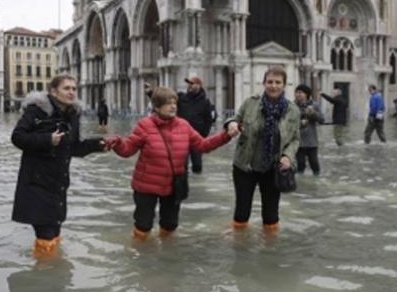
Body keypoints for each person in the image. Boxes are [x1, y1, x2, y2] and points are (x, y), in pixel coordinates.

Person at [107, 86, 231, 241]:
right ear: (157, 107)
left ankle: (167, 257)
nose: (173, 106)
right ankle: (141, 256)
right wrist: (117, 142)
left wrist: (226, 136)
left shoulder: (184, 125)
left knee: (170, 225)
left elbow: (203, 145)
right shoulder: (144, 125)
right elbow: (127, 150)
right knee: (143, 226)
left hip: (173, 185)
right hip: (147, 186)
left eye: (175, 103)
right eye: (168, 103)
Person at [11, 74, 110, 258]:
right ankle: (46, 278)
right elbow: (17, 137)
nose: (72, 92)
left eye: (74, 88)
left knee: (54, 235)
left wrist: (99, 145)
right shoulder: (36, 111)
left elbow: (73, 147)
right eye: (67, 88)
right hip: (36, 184)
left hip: (58, 185)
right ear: (53, 91)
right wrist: (47, 139)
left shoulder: (72, 114)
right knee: (46, 237)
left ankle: (53, 279)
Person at [223, 67, 300, 234]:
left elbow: (294, 139)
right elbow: (235, 119)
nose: (273, 86)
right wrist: (231, 124)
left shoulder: (293, 110)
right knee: (242, 211)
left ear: (284, 85)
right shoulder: (250, 103)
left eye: (278, 82)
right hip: (245, 165)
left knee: (271, 215)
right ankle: (240, 248)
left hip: (273, 168)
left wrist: (288, 156)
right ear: (264, 83)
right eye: (270, 82)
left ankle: (270, 252)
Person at [177, 76, 217, 174]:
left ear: (198, 86)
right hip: (182, 137)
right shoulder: (181, 98)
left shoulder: (205, 102)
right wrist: (150, 92)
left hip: (197, 138)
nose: (190, 85)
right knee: (182, 165)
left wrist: (204, 135)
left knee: (197, 165)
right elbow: (164, 99)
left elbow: (209, 120)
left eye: (192, 83)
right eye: (189, 83)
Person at [294, 84, 323, 176]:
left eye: (300, 93)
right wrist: (299, 123)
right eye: (296, 92)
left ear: (306, 94)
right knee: (300, 164)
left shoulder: (314, 105)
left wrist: (313, 113)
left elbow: (322, 120)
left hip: (311, 141)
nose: (297, 95)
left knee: (314, 163)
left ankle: (316, 183)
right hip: (298, 141)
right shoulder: (292, 106)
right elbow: (288, 123)